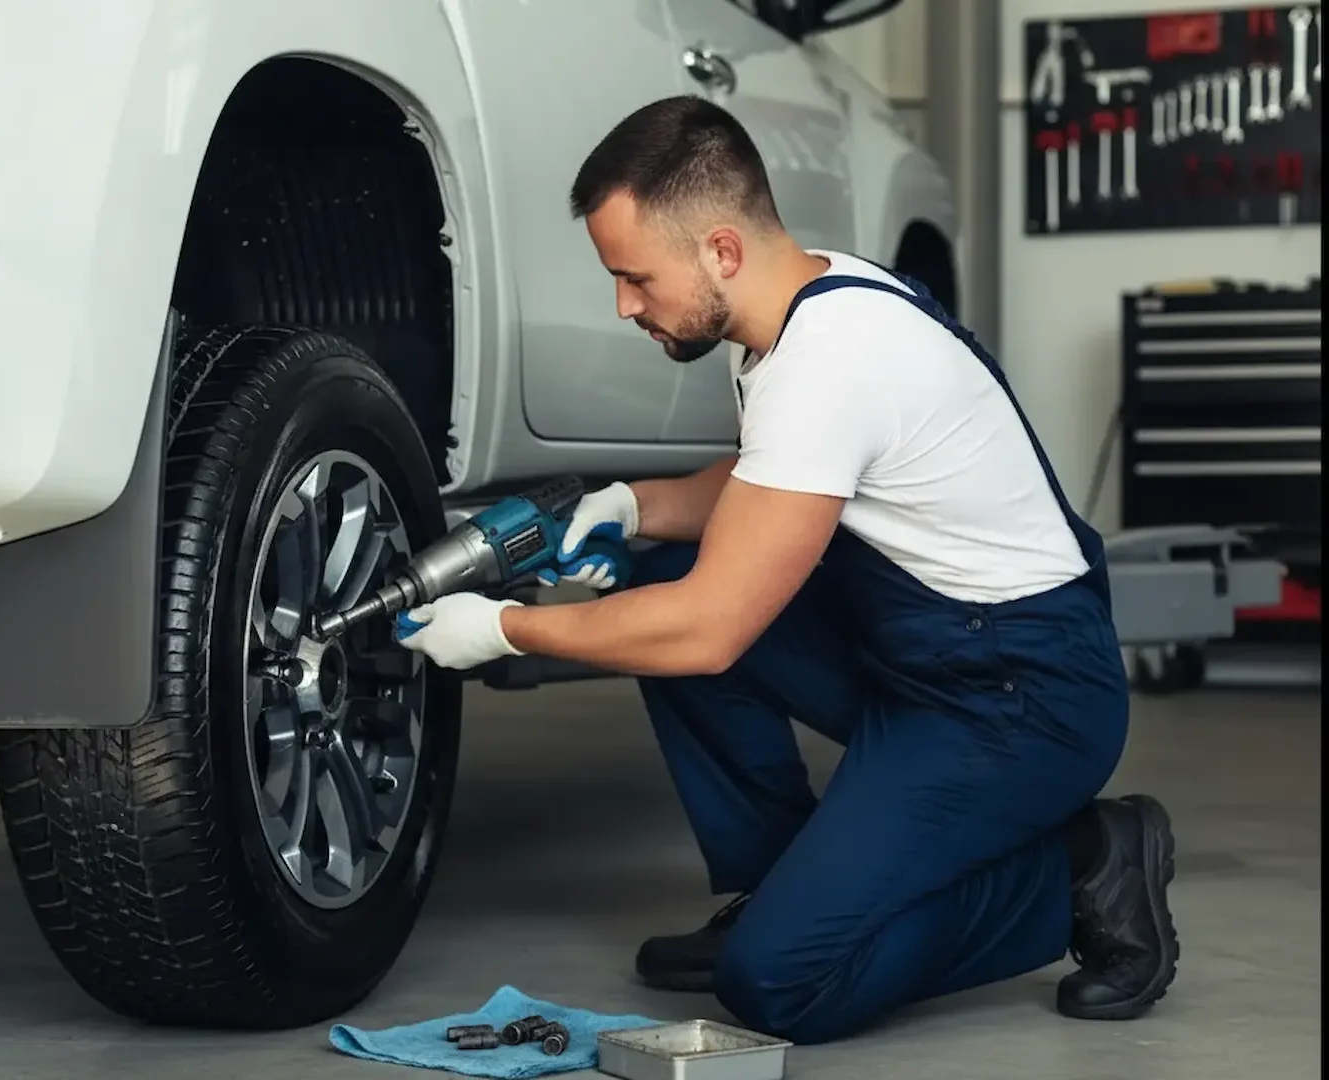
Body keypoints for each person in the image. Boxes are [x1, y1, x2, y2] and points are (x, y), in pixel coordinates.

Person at [393, 95, 1179, 1045]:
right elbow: (779, 473)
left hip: (1022, 698)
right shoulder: (803, 300)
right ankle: (779, 887)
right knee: (664, 573)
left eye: (634, 278)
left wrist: (503, 629)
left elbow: (708, 629)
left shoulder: (832, 360)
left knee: (783, 982)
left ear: (720, 250)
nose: (623, 304)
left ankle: (1085, 866)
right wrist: (635, 505)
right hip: (930, 652)